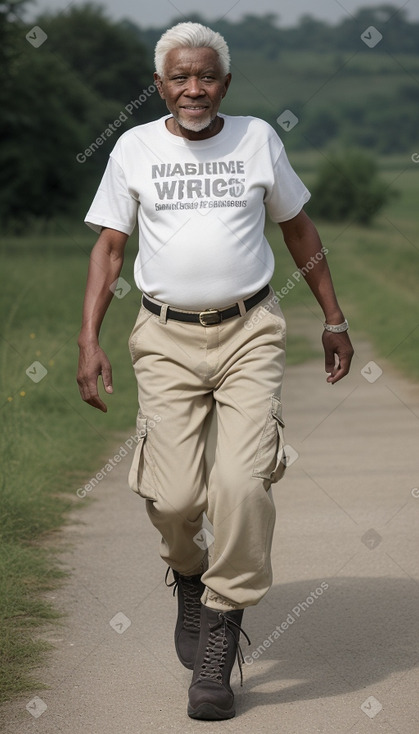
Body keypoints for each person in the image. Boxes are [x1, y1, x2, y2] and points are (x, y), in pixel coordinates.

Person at [77, 21, 354, 721]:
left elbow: (297, 229)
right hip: (165, 339)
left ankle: (221, 629)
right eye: (179, 76)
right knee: (172, 501)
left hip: (249, 333)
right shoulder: (133, 148)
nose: (192, 88)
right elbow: (110, 249)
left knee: (240, 480)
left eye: (205, 76)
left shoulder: (256, 138)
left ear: (223, 84)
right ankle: (192, 577)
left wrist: (332, 318)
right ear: (160, 84)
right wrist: (89, 339)